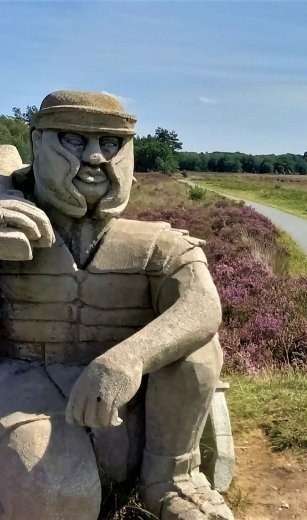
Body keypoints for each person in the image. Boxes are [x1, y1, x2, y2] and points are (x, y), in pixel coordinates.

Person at [0, 91, 232, 520]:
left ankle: (174, 480)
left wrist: (128, 359)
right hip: (25, 384)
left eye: (110, 144)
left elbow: (202, 306)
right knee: (58, 496)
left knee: (197, 344)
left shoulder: (157, 245)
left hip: (131, 398)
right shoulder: (10, 229)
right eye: (73, 140)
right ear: (37, 143)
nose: (94, 158)